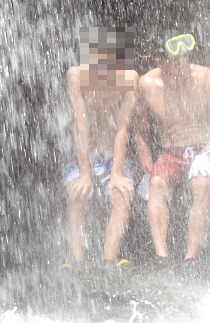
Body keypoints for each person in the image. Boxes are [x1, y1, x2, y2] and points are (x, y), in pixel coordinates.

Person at [134, 32, 210, 262]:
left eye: (185, 58)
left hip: (205, 149)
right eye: (175, 60)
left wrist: (206, 153)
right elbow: (139, 132)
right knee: (156, 183)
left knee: (202, 183)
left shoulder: (208, 77)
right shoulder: (147, 84)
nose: (183, 64)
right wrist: (147, 168)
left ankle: (191, 258)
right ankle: (162, 257)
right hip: (172, 152)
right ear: (160, 61)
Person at [62, 26, 138, 264]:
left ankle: (108, 262)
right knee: (75, 193)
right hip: (82, 155)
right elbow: (80, 125)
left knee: (121, 194)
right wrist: (84, 173)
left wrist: (116, 172)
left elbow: (122, 128)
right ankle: (78, 263)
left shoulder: (129, 79)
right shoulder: (76, 76)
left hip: (111, 155)